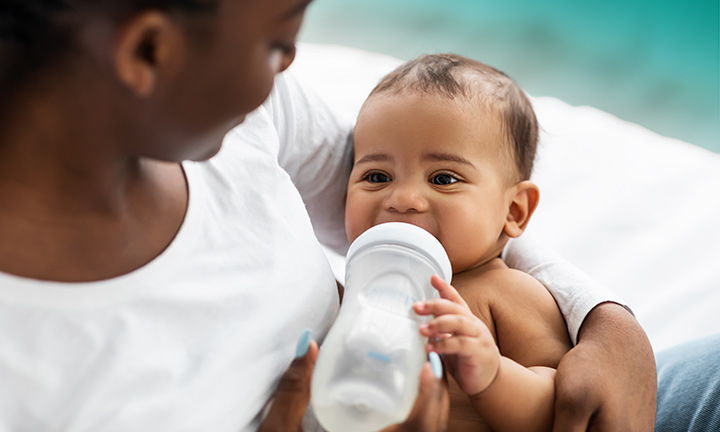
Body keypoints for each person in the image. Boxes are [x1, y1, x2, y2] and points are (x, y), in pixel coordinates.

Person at [0, 0, 664, 430]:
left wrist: (606, 320)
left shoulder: (245, 120)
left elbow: (437, 212)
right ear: (149, 52)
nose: (289, 71)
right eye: (276, 45)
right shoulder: (30, 374)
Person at [343, 53, 573, 431]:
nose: (402, 198)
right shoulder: (361, 288)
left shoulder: (508, 292)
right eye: (378, 175)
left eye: (443, 179)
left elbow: (562, 406)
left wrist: (492, 374)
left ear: (514, 211)